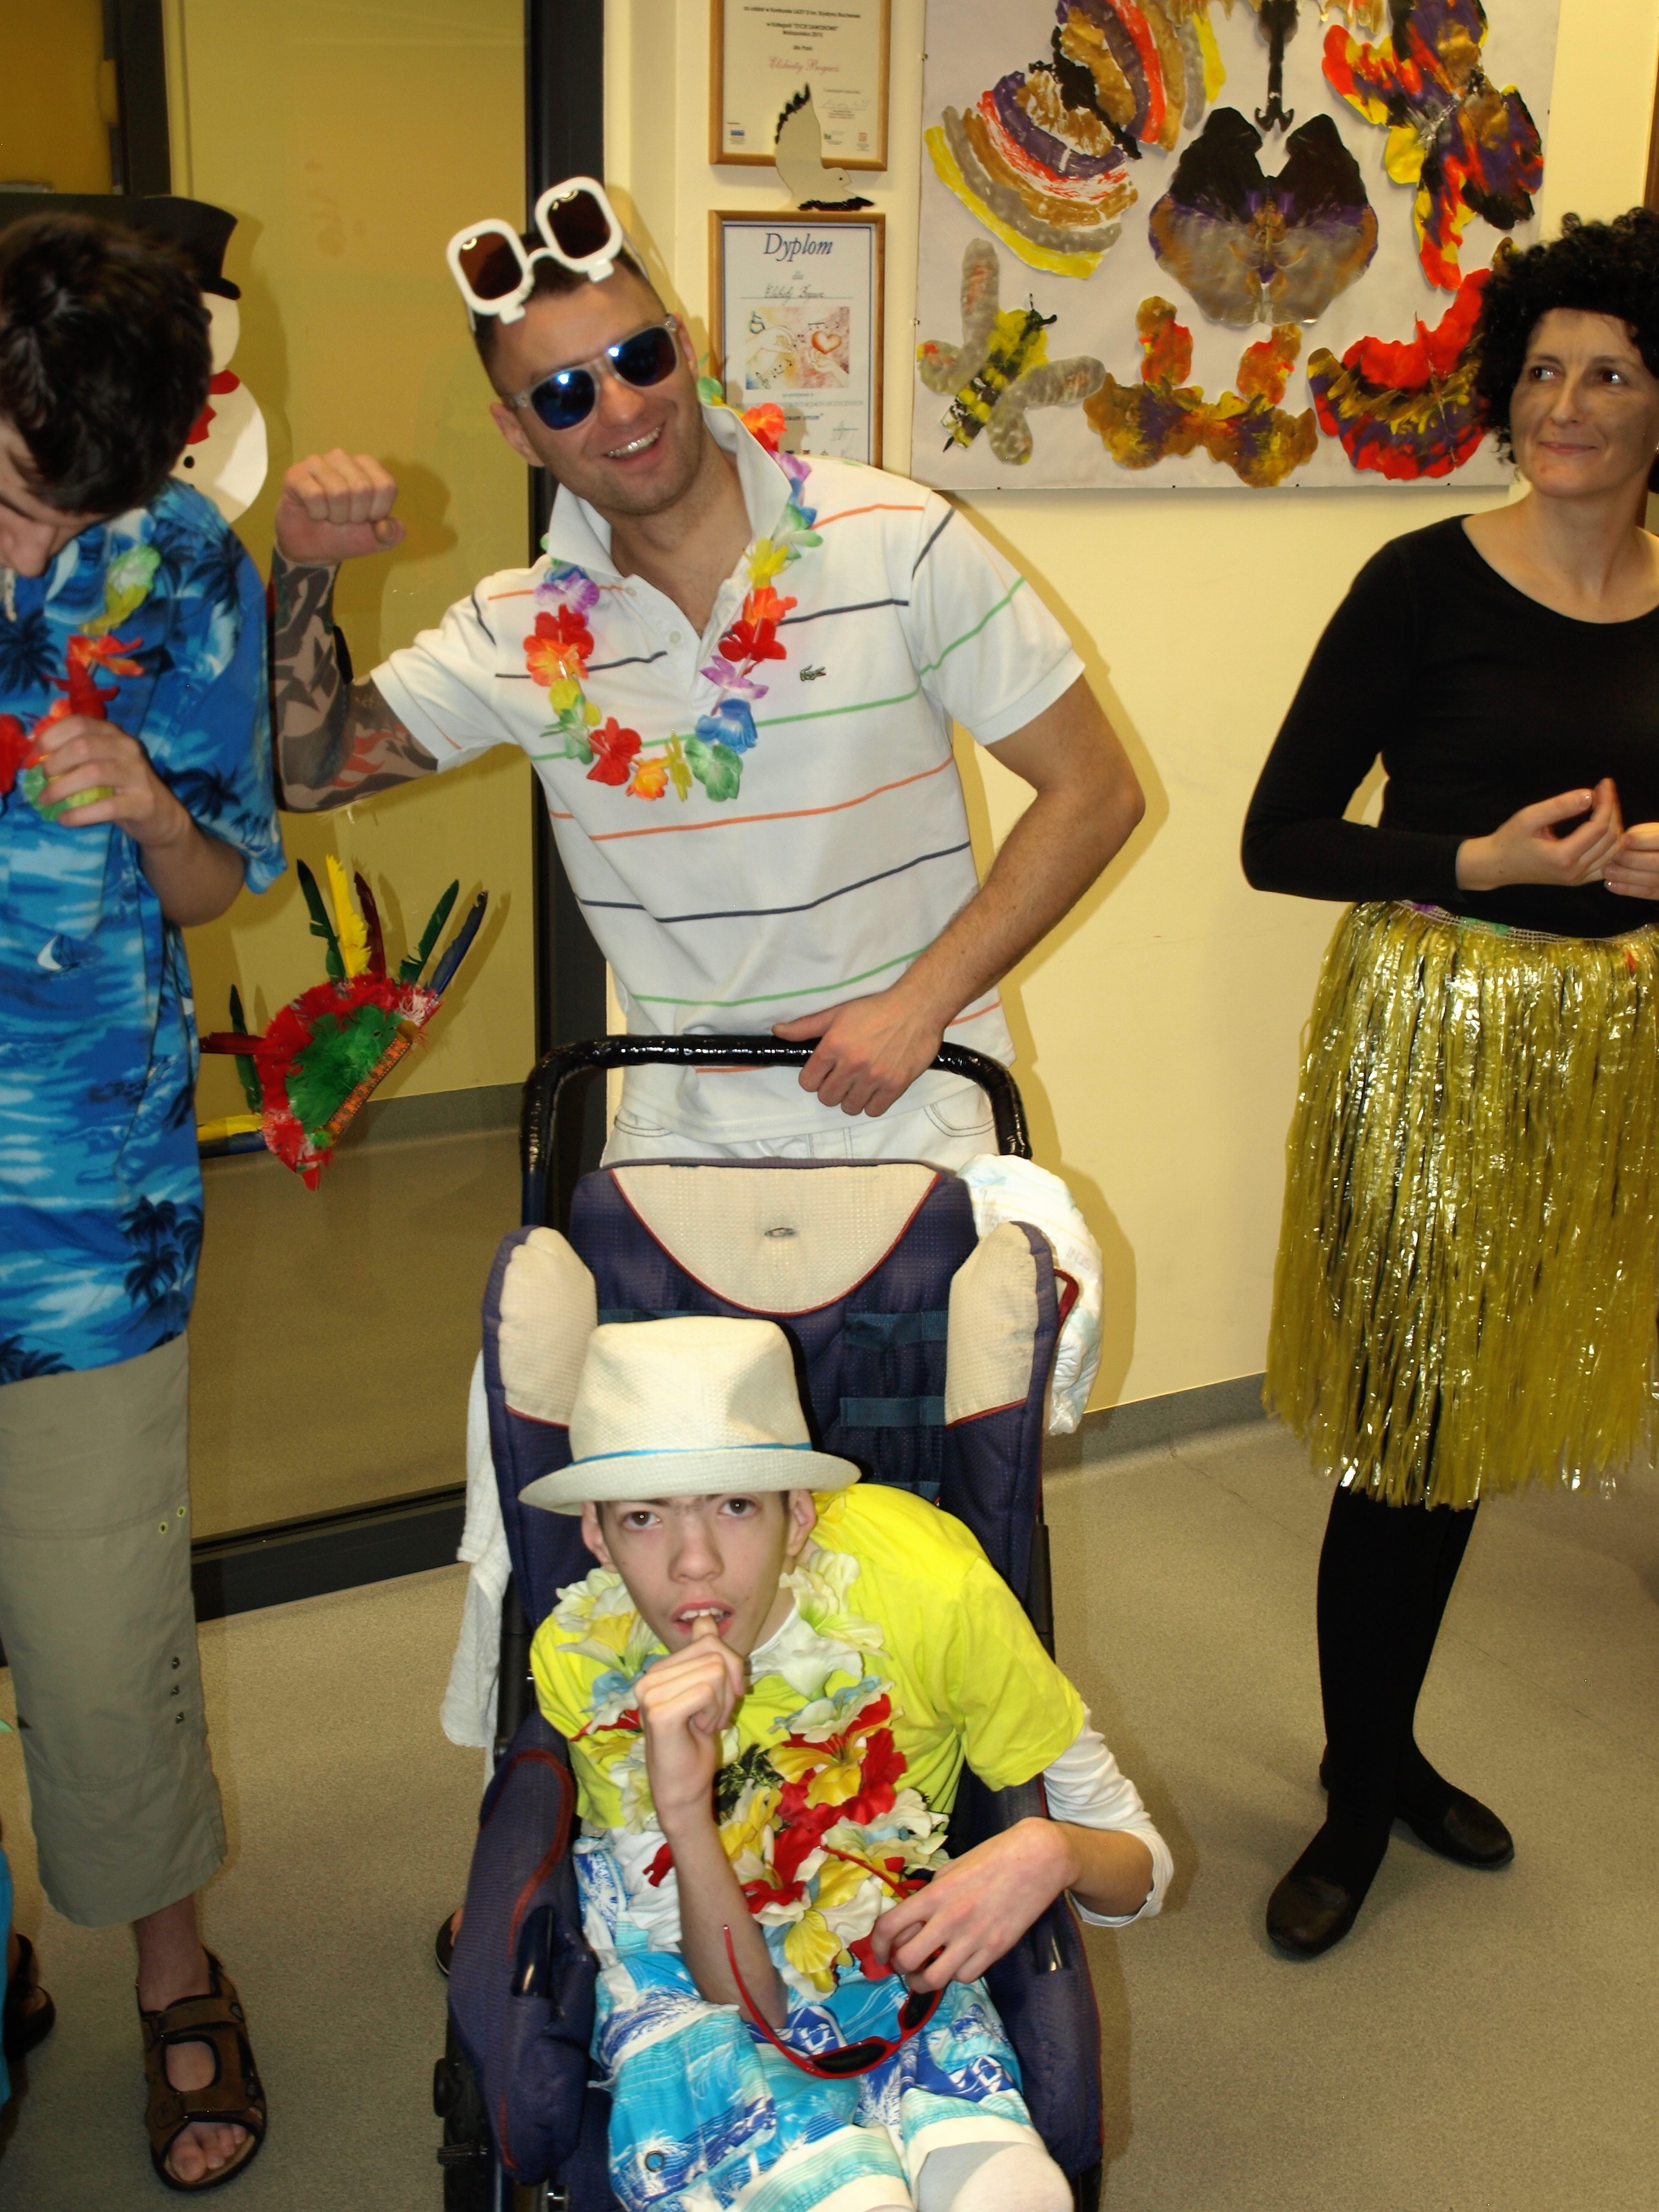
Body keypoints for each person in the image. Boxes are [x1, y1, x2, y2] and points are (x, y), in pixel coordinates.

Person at [267, 179, 1144, 1166]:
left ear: (687, 348)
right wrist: (303, 570)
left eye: (637, 357)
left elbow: (1096, 788)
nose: (620, 407)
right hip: (676, 1146)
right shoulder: (514, 632)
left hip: (920, 1112)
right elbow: (310, 772)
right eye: (563, 394)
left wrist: (921, 1002)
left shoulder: (896, 539)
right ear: (517, 433)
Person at [1241, 207, 1659, 1958]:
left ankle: (1391, 1746)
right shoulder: (1418, 583)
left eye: (1613, 373)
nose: (1569, 402)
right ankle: (1359, 1790)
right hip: (1434, 1046)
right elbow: (1279, 838)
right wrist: (1476, 861)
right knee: (1403, 1438)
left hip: (1601, 1057)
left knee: (1469, 1433)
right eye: (1546, 369)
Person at [523, 1315, 1170, 2212]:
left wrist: (1054, 1849)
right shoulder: (582, 1660)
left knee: (1020, 2194)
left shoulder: (931, 1592)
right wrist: (683, 1811)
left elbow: (1142, 1867)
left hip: (888, 1939)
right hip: (700, 1974)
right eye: (643, 1516)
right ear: (596, 1537)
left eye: (736, 1506)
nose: (693, 1564)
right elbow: (738, 1999)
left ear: (800, 1516)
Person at [0, 213, 283, 2184]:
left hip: (84, 1201)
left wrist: (160, 806)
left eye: (80, 510)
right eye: (19, 494)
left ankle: (175, 1972)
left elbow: (217, 884)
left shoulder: (184, 562)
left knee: (100, 1621)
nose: (46, 546)